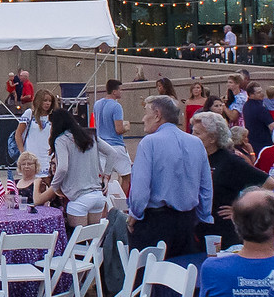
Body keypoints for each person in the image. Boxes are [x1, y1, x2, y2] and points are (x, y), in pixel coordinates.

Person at [126, 94, 213, 255]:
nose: (144, 118)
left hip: (155, 222)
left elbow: (140, 189)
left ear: (157, 115)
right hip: (187, 221)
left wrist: (135, 214)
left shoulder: (149, 142)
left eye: (146, 113)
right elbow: (206, 186)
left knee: (149, 276)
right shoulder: (196, 143)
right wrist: (203, 216)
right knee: (182, 274)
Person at [37, 106, 108, 224]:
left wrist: (55, 186)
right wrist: (107, 174)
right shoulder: (89, 136)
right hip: (97, 196)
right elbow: (112, 153)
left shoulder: (61, 140)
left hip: (79, 198)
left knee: (77, 239)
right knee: (93, 239)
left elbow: (63, 168)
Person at [92, 79, 132, 182]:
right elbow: (118, 129)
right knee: (127, 176)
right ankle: (123, 197)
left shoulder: (97, 104)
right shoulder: (116, 106)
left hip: (101, 145)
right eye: (120, 90)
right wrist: (126, 127)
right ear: (114, 91)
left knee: (104, 177)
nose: (121, 92)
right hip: (115, 145)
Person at [14, 89, 59, 172]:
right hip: (31, 155)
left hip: (48, 155)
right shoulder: (29, 114)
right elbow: (18, 134)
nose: (47, 103)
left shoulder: (54, 117)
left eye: (50, 101)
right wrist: (22, 152)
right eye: (45, 100)